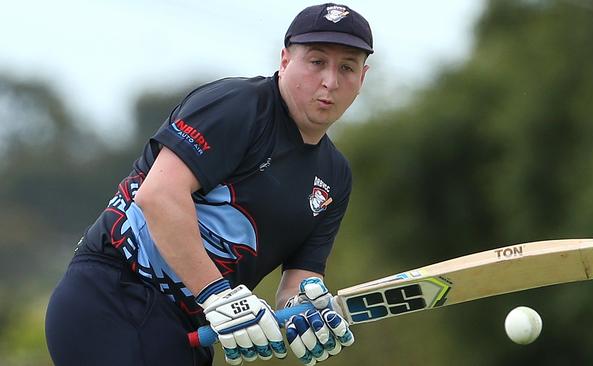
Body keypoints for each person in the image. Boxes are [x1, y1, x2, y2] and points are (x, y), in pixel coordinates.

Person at [45, 3, 373, 366]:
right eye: (316, 62)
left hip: (189, 327)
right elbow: (158, 196)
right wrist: (218, 294)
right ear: (284, 60)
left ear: (363, 77)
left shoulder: (335, 176)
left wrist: (304, 311)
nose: (330, 81)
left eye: (347, 67)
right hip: (113, 295)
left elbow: (298, 282)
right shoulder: (240, 105)